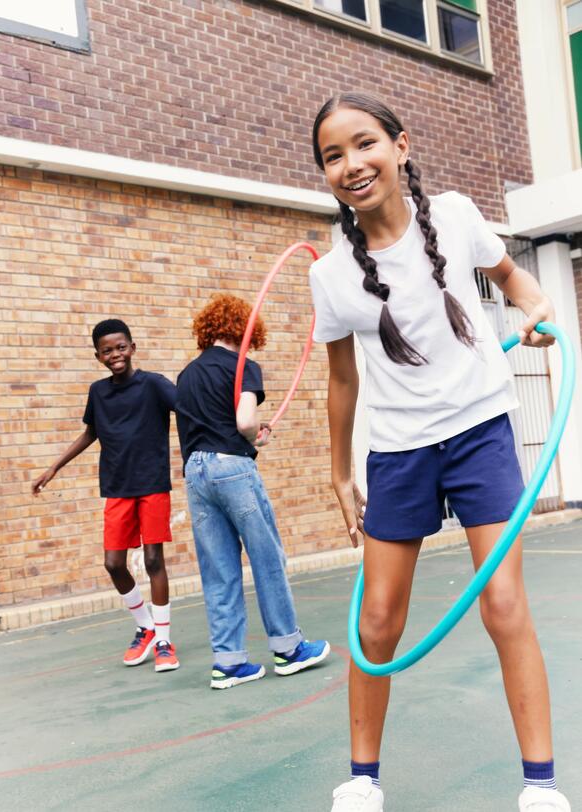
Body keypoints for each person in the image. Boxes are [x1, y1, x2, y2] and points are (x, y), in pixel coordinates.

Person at [308, 93, 570, 812]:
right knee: (376, 622)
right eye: (333, 156)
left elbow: (513, 279)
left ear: (400, 144)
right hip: (398, 451)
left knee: (504, 602)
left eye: (364, 144)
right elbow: (341, 379)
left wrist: (536, 311)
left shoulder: (454, 215)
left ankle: (541, 785)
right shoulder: (330, 276)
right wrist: (340, 471)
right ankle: (362, 780)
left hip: (481, 429)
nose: (352, 165)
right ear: (325, 173)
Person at [175, 294, 330, 689]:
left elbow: (210, 428)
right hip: (233, 471)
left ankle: (228, 662)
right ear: (246, 329)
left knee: (219, 569)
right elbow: (244, 421)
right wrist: (252, 432)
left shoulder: (187, 375)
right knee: (266, 558)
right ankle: (288, 649)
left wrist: (247, 437)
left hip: (196, 472)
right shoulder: (245, 366)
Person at [32, 319, 179, 673]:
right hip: (117, 487)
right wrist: (54, 467)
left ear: (133, 347)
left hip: (152, 484)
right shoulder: (98, 392)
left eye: (121, 347)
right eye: (107, 350)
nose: (116, 354)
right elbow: (90, 433)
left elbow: (190, 409)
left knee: (153, 560)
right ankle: (144, 626)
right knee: (113, 564)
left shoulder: (155, 385)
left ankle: (163, 640)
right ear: (98, 356)